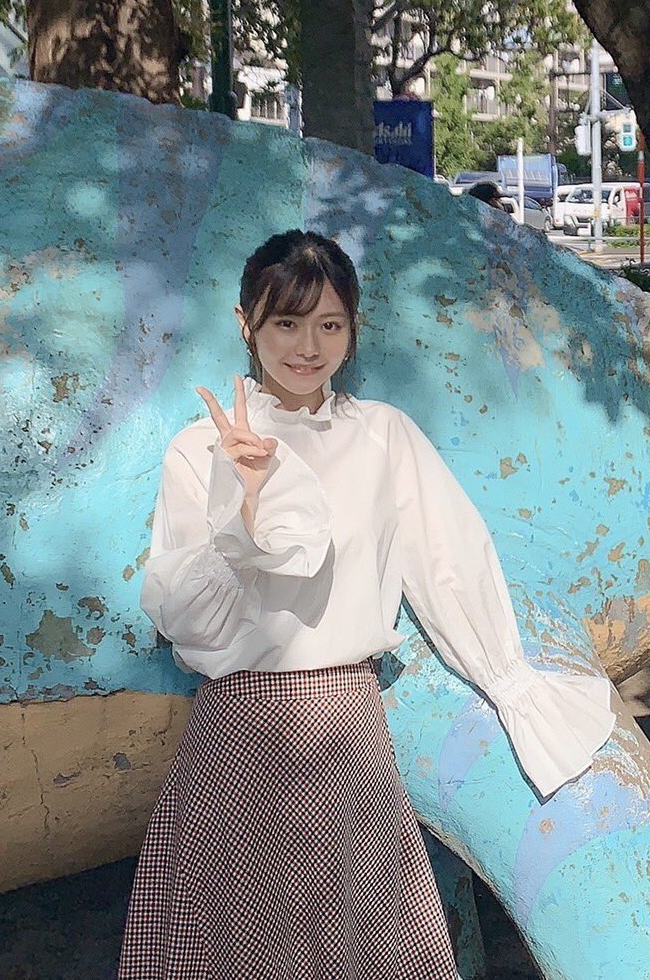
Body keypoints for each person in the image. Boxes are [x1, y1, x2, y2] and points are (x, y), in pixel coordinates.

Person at [116, 229, 616, 980]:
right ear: (246, 323)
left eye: (329, 324)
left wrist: (509, 683)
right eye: (286, 322)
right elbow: (185, 618)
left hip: (345, 728)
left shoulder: (383, 435)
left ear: (354, 328)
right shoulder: (198, 449)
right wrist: (243, 508)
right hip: (234, 735)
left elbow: (449, 561)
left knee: (369, 946)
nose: (308, 346)